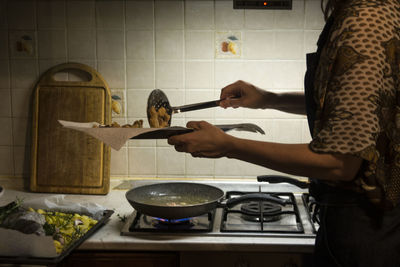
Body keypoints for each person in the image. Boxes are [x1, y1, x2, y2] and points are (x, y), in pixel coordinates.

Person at [168, 0, 400, 266]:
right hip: (356, 221)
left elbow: (339, 162)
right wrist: (269, 98)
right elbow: (348, 108)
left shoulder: (367, 19)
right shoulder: (362, 11)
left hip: (364, 228)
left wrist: (228, 146)